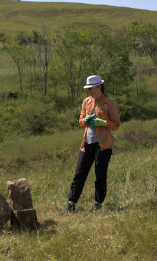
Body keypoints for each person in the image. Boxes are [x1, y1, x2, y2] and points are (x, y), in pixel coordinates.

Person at [61, 75, 121, 213]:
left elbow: (116, 125)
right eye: (87, 88)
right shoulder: (86, 102)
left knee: (100, 175)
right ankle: (71, 203)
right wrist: (85, 120)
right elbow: (81, 121)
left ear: (99, 86)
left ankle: (98, 203)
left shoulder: (109, 103)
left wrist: (103, 123)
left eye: (91, 88)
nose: (88, 91)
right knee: (79, 174)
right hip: (87, 143)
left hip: (103, 145)